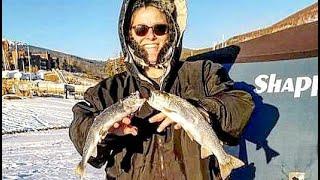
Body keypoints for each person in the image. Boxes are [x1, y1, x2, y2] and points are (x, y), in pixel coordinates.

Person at [69, 0, 255, 179]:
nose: (151, 36)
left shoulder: (202, 72)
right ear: (129, 34)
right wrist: (106, 132)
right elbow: (80, 125)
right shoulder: (111, 89)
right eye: (141, 30)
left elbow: (240, 103)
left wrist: (203, 110)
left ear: (172, 31)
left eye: (160, 28)